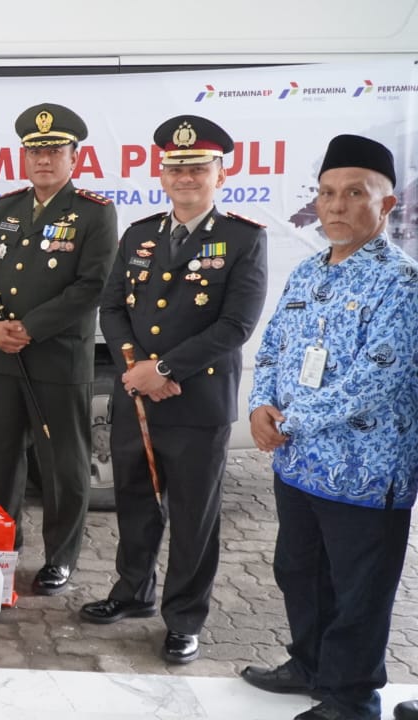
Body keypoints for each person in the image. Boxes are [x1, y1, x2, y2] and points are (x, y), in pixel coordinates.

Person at [80, 115, 267, 665]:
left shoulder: (242, 238)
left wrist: (162, 371)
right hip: (135, 397)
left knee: (192, 517)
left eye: (197, 167)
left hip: (196, 404)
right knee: (135, 503)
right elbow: (112, 308)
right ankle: (133, 591)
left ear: (220, 173)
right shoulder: (140, 235)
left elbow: (236, 325)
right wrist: (137, 370)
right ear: (162, 174)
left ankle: (184, 618)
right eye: (176, 167)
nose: (186, 177)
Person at [242, 135, 418, 720]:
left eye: (353, 194)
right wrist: (260, 405)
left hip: (366, 471)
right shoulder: (308, 272)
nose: (336, 206)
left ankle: (349, 696)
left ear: (386, 204)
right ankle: (310, 664)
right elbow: (270, 348)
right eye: (326, 193)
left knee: (358, 588)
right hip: (298, 464)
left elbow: (380, 377)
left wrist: (289, 421)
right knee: (298, 570)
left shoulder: (402, 282)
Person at [0, 103, 118, 595]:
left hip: (57, 357)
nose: (44, 160)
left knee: (63, 466)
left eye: (55, 151)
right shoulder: (6, 208)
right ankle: (1, 546)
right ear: (24, 158)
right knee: (4, 459)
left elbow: (91, 285)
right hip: (5, 357)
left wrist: (28, 327)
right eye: (35, 152)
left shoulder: (95, 212)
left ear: (75, 157)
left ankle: (61, 557)